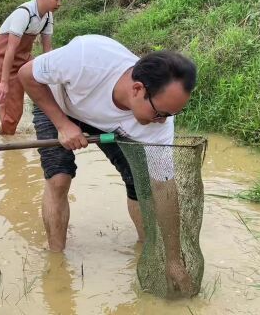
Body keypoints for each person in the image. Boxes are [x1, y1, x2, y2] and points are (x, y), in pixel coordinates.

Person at [17, 34, 197, 295]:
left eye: (172, 114)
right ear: (137, 89)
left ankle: (145, 248)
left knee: (139, 182)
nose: (162, 121)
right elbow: (26, 75)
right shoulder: (87, 59)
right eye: (160, 113)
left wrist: (173, 261)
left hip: (108, 124)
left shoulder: (159, 124)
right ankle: (56, 259)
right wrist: (63, 124)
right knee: (59, 178)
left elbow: (164, 189)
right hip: (58, 105)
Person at [0, 0, 67, 135]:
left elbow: (47, 51)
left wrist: (52, 79)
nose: (59, 3)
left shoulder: (48, 17)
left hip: (24, 61)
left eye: (61, 0)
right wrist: (4, 82)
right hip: (3, 62)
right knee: (13, 113)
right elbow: (10, 50)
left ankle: (39, 126)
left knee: (46, 94)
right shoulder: (24, 13)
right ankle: (6, 142)